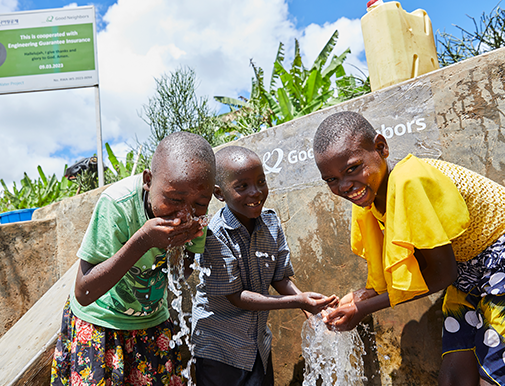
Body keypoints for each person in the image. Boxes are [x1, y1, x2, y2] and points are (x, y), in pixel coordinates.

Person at [313, 111, 505, 386]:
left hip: (498, 257)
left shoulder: (408, 181)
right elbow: (415, 266)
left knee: (494, 376)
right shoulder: (369, 201)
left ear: (381, 148)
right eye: (331, 180)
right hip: (469, 269)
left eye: (352, 168)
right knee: (453, 372)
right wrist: (360, 298)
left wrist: (365, 309)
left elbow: (441, 274)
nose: (344, 186)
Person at [51, 131, 216, 386]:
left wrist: (179, 245)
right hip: (100, 324)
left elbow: (180, 274)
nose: (185, 212)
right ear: (148, 180)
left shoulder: (196, 219)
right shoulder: (117, 205)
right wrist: (143, 241)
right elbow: (84, 292)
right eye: (174, 199)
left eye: (200, 203)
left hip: (151, 325)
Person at [191, 145, 338, 386]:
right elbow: (236, 296)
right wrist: (299, 302)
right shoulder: (214, 235)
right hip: (219, 348)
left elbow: (279, 277)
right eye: (242, 186)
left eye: (261, 181)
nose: (256, 192)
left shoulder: (270, 222)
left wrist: (308, 308)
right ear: (219, 193)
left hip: (257, 344)